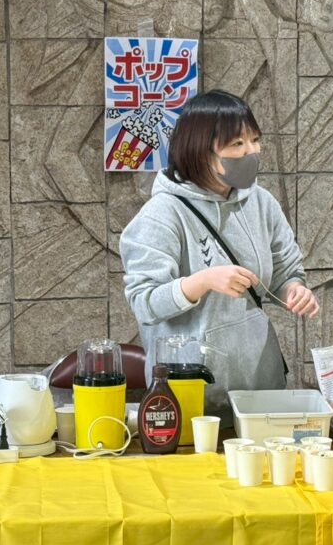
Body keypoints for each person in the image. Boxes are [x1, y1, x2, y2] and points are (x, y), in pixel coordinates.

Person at [120, 89, 318, 415]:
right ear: (200, 151)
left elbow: (286, 270)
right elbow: (144, 302)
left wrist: (295, 291)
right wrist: (203, 281)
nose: (251, 151)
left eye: (254, 140)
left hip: (259, 387)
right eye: (237, 144)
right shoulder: (162, 214)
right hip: (191, 394)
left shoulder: (261, 203)